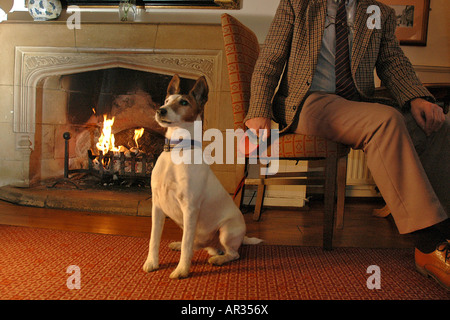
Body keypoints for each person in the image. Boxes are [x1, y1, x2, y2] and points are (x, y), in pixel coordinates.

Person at [245, 0, 449, 290]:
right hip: (309, 103)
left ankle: (446, 233)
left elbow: (392, 61)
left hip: (357, 103)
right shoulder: (298, 4)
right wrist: (258, 110)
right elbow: (271, 58)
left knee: (438, 124)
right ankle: (429, 245)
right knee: (386, 121)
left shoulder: (378, 13)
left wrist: (418, 96)